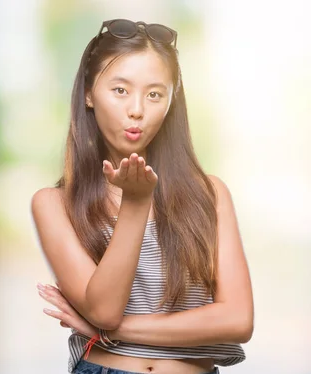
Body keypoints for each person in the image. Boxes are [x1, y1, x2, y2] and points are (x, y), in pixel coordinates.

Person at [30, 19, 254, 374]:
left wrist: (110, 332)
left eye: (154, 94)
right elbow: (104, 308)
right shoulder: (54, 204)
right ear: (89, 93)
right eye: (120, 90)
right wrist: (135, 203)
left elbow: (238, 319)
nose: (137, 109)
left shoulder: (209, 194)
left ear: (170, 102)